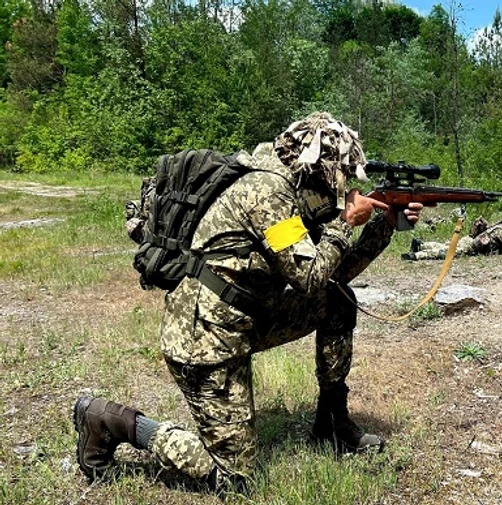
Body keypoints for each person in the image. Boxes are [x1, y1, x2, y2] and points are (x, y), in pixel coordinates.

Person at [73, 112, 423, 490]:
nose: (342, 185)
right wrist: (344, 224)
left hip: (245, 317)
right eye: (340, 172)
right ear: (320, 166)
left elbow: (330, 277)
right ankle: (111, 422)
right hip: (205, 338)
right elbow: (308, 278)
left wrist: (383, 226)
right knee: (234, 479)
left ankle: (333, 425)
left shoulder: (288, 189)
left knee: (337, 301)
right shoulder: (267, 192)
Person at [402, 208, 502, 261]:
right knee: (446, 253)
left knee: (446, 246)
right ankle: (415, 255)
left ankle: (420, 245)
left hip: (470, 241)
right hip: (471, 247)